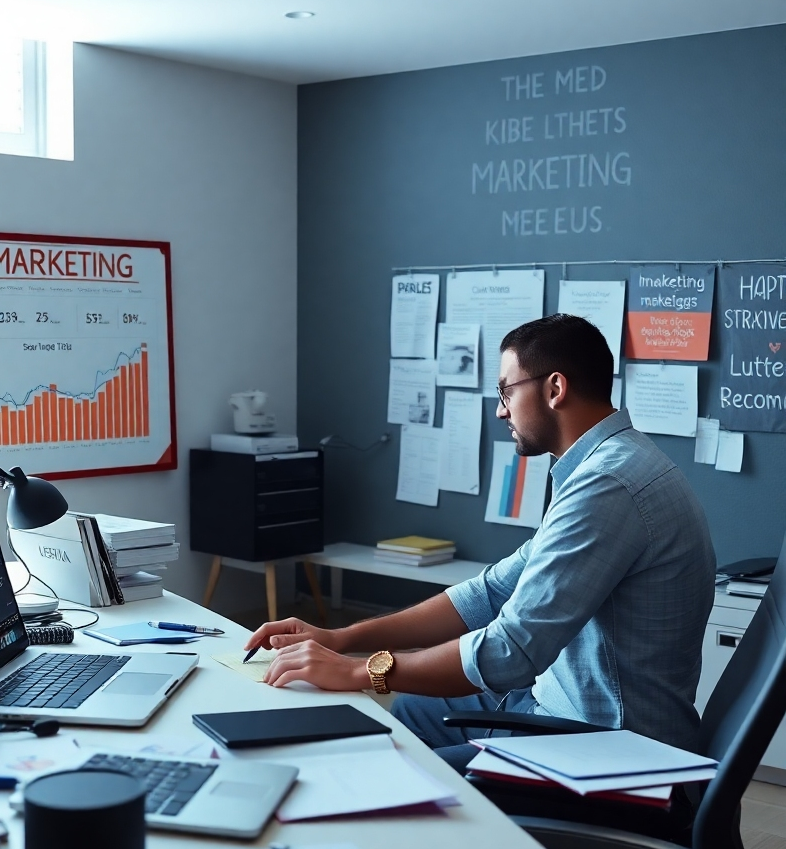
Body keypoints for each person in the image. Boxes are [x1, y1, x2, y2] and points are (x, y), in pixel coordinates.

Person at [245, 314, 716, 764]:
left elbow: (511, 651)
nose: (499, 409)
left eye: (505, 390)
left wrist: (361, 670)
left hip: (610, 747)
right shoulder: (605, 466)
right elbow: (489, 593)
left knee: (413, 770)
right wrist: (343, 637)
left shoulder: (609, 486)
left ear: (555, 388)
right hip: (560, 706)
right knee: (410, 709)